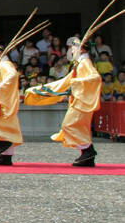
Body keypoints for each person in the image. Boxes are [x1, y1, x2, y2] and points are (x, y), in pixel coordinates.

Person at [25, 36, 103, 166]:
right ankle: (87, 156)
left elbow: (95, 77)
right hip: (78, 100)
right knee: (77, 127)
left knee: (69, 125)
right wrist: (44, 89)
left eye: (73, 47)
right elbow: (66, 81)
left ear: (82, 49)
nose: (71, 50)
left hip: (82, 101)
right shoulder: (79, 63)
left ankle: (88, 151)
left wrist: (75, 82)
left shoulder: (85, 63)